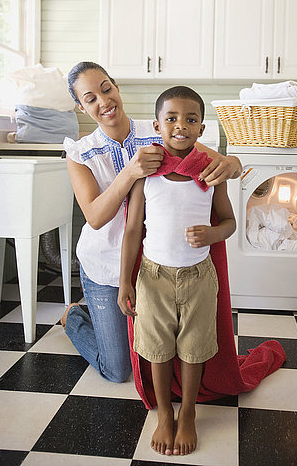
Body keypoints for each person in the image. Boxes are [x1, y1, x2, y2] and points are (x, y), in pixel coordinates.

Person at [60, 62, 242, 384]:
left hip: (156, 267)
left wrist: (234, 162)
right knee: (118, 370)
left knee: (159, 350)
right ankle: (75, 316)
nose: (104, 102)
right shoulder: (80, 153)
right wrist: (131, 170)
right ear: (80, 107)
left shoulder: (160, 128)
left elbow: (217, 161)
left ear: (116, 87)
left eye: (106, 89)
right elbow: (95, 217)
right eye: (90, 99)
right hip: (105, 265)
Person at [118, 85, 236, 456]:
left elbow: (230, 222)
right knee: (156, 347)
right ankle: (165, 413)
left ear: (202, 129)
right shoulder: (146, 172)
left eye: (190, 119)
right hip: (153, 278)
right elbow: (133, 228)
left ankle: (188, 412)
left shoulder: (209, 173)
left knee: (193, 348)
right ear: (158, 125)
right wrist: (125, 282)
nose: (180, 125)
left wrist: (214, 232)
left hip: (198, 277)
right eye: (171, 118)